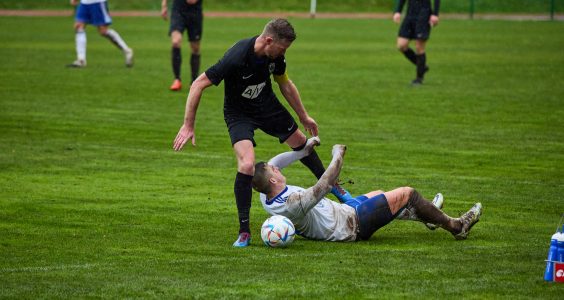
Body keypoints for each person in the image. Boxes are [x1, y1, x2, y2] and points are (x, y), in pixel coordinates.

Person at [172, 19, 351, 247]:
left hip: (267, 107)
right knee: (247, 165)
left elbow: (285, 84)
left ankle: (335, 188)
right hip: (239, 115)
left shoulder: (276, 57)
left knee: (302, 144)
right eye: (283, 48)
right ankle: (244, 231)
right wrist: (188, 125)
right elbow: (198, 84)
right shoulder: (237, 57)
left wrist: (303, 116)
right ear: (269, 41)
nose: (284, 52)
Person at [252, 137, 483, 242]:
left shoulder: (266, 195)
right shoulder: (293, 204)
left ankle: (431, 217)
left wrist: (302, 152)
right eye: (274, 170)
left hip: (341, 212)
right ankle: (457, 226)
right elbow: (324, 185)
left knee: (379, 194)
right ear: (273, 180)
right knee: (406, 194)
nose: (276, 167)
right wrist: (337, 155)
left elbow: (276, 162)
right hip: (349, 226)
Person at [67, 0, 133, 68]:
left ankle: (126, 50)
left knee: (103, 31)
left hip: (97, 2)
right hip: (84, 3)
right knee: (78, 26)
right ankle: (81, 60)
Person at [393, 0, 441, 85]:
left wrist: (435, 14)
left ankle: (419, 79)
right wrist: (398, 11)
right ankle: (422, 67)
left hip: (424, 14)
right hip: (410, 14)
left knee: (419, 47)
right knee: (401, 45)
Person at [161, 0, 203, 91]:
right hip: (178, 10)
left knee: (195, 48)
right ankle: (177, 79)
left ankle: (194, 81)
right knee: (176, 41)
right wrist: (164, 5)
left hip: (195, 12)